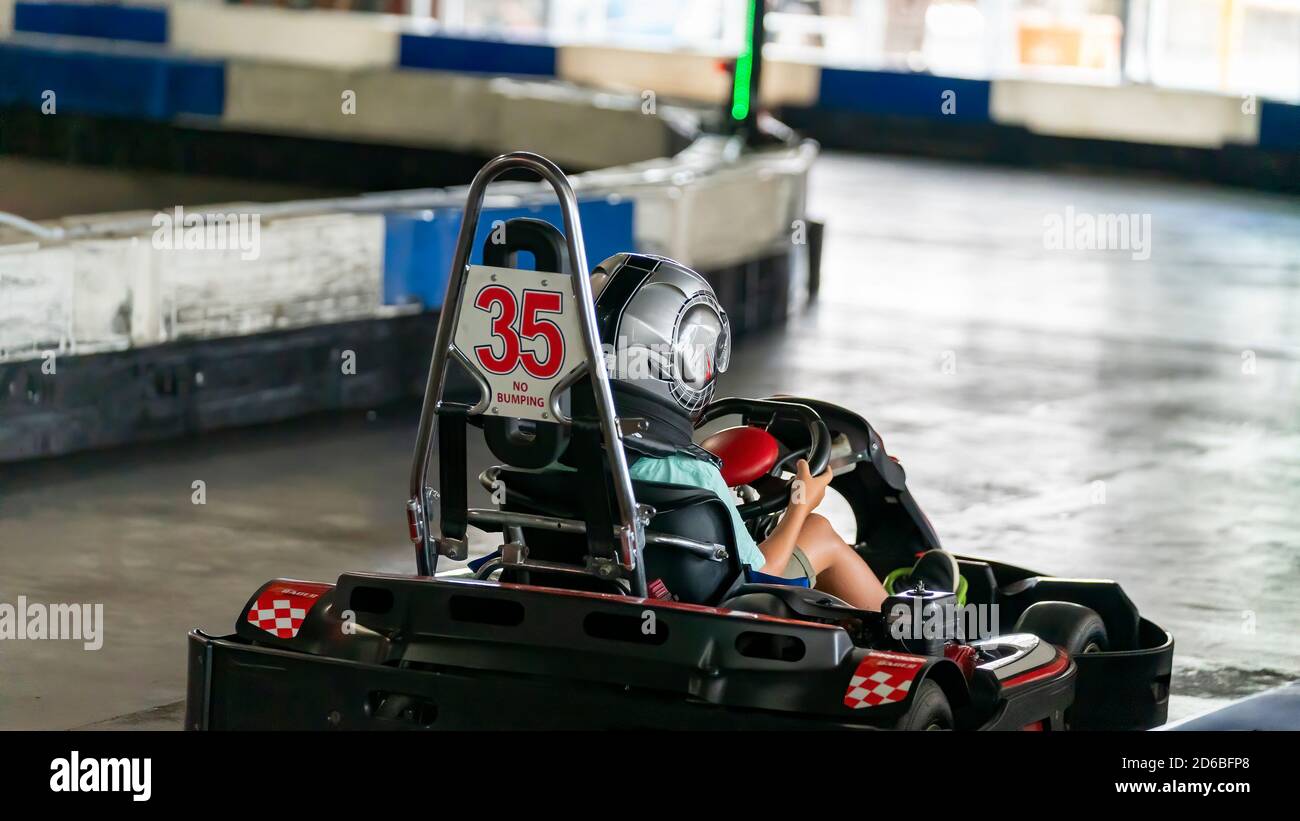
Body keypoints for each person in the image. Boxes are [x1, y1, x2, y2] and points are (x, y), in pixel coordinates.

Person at [589, 253, 958, 610]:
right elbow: (762, 573)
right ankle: (909, 626)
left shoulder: (558, 451)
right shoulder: (692, 475)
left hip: (610, 587)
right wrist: (799, 504)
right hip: (719, 610)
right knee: (818, 530)